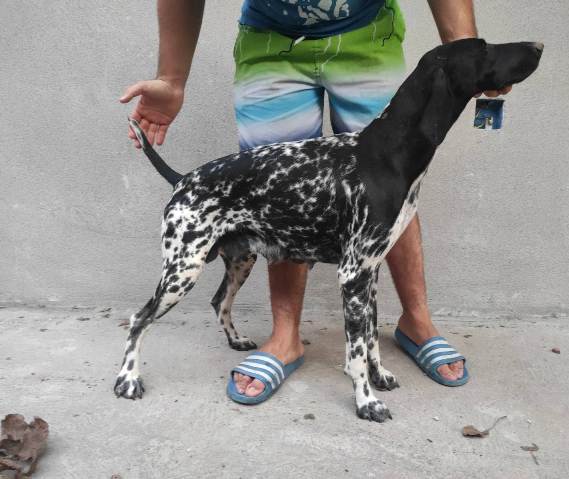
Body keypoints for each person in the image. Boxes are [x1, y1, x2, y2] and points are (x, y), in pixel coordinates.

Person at [120, 0, 512, 402]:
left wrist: (467, 54)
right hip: (270, 41)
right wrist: (171, 77)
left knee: (391, 185)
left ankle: (417, 321)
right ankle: (285, 336)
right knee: (277, 197)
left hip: (368, 32)